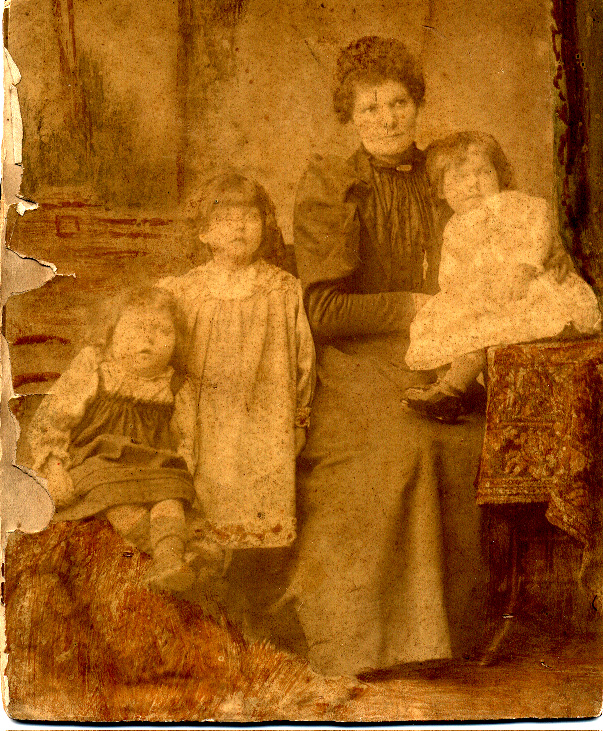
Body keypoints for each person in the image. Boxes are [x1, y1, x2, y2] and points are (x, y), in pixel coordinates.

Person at [290, 36, 488, 677]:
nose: (386, 119)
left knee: (467, 440)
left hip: (445, 345)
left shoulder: (447, 172)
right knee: (404, 446)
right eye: (369, 108)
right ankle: (367, 641)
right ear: (349, 116)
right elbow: (321, 314)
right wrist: (409, 305)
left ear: (416, 104)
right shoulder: (332, 185)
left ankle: (452, 642)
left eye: (397, 102)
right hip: (355, 357)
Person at [159, 173, 315, 580]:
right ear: (204, 233)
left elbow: (303, 360)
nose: (240, 227)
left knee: (258, 499)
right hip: (206, 413)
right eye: (226, 219)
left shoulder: (283, 289)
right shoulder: (186, 291)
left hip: (265, 414)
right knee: (206, 491)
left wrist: (299, 417)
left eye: (250, 217)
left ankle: (253, 589)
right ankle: (202, 573)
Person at [404, 132, 601, 422]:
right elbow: (452, 273)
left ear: (499, 174)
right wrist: (462, 296)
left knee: (482, 333)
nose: (473, 183)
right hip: (485, 295)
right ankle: (457, 390)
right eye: (459, 177)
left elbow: (536, 234)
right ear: (441, 190)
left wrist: (521, 269)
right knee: (445, 323)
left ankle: (451, 389)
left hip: (526, 289)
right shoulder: (454, 226)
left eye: (484, 172)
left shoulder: (516, 205)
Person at [28, 287, 199, 594]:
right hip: (98, 463)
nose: (147, 341)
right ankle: (161, 551)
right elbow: (53, 419)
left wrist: (186, 472)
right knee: (115, 502)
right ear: (110, 334)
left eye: (162, 332)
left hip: (152, 465)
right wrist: (54, 467)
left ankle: (171, 558)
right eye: (135, 330)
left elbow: (187, 438)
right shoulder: (96, 367)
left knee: (171, 492)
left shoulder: (173, 384)